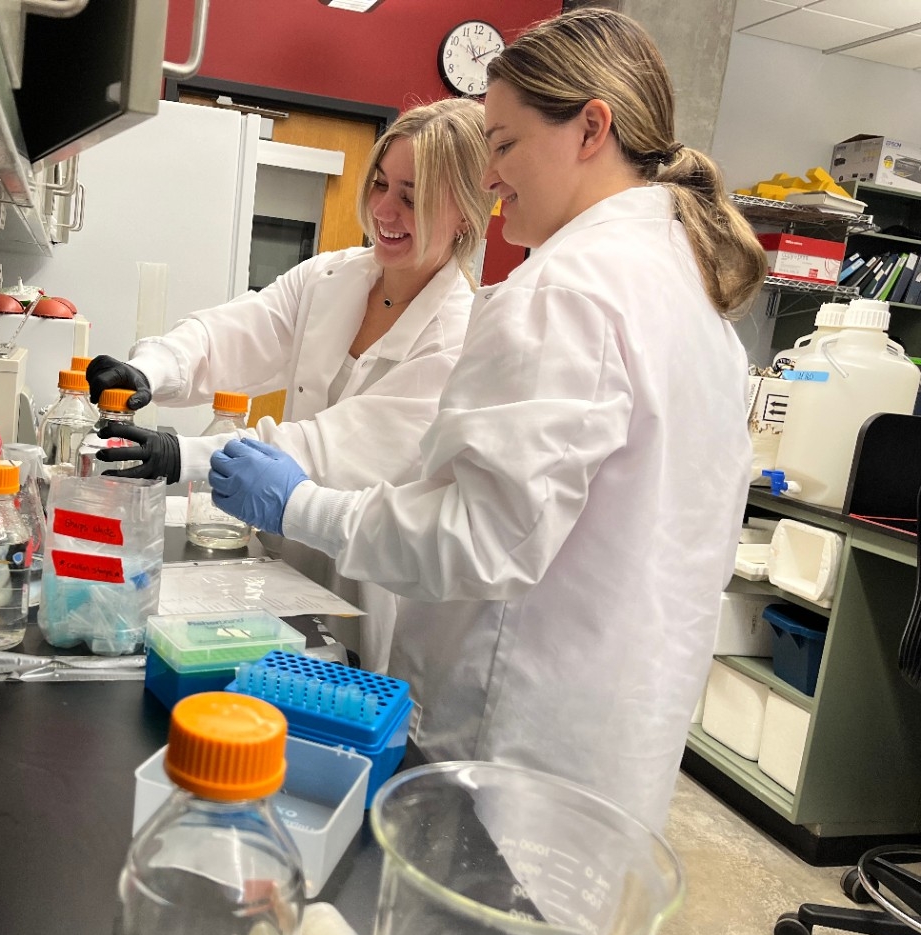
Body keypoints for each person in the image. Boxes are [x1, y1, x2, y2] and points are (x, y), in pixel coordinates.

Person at [206, 8, 767, 829]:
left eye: (502, 144)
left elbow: (477, 540)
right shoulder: (694, 297)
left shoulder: (565, 292)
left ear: (590, 129)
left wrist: (297, 505)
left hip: (510, 750)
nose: (492, 175)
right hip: (614, 742)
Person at [86, 99, 495, 672]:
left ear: (466, 215)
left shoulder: (458, 337)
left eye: (412, 195)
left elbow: (330, 449)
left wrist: (185, 455)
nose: (383, 208)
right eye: (379, 184)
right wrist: (150, 368)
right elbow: (232, 333)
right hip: (279, 570)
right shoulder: (330, 278)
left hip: (364, 587)